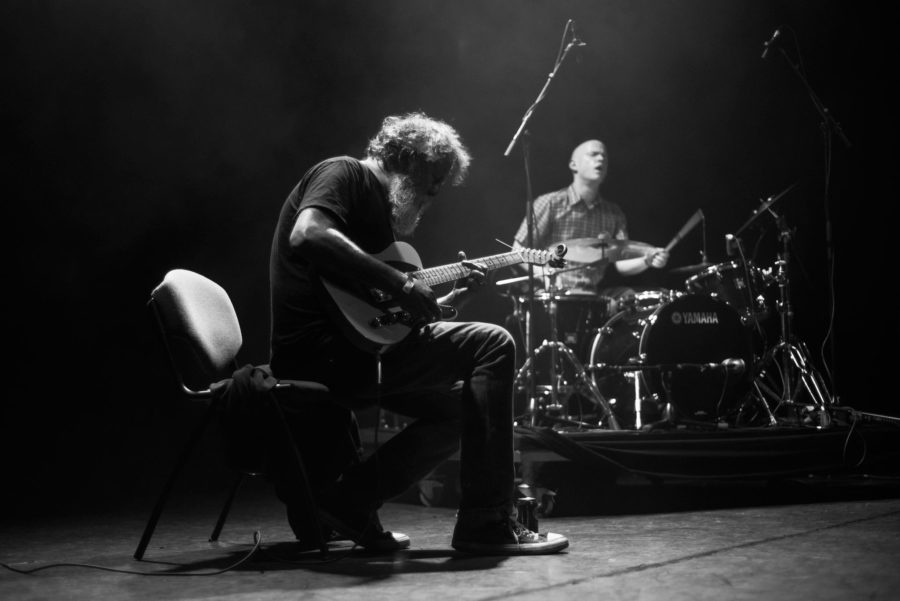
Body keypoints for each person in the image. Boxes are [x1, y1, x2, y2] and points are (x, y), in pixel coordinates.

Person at [268, 111, 569, 555]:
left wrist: (449, 303)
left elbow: (379, 318)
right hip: (325, 351)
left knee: (462, 411)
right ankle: (486, 523)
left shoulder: (379, 219)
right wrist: (400, 283)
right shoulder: (344, 173)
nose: (434, 193)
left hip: (354, 349)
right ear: (410, 158)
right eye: (435, 178)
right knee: (495, 341)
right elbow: (308, 233)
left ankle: (349, 502)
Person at [511, 139, 669, 297]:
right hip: (553, 294)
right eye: (593, 154)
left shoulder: (614, 213)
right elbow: (517, 251)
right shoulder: (549, 203)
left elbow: (622, 264)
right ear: (574, 165)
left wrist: (648, 259)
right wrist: (545, 273)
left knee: (630, 298)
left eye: (604, 157)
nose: (601, 159)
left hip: (592, 294)